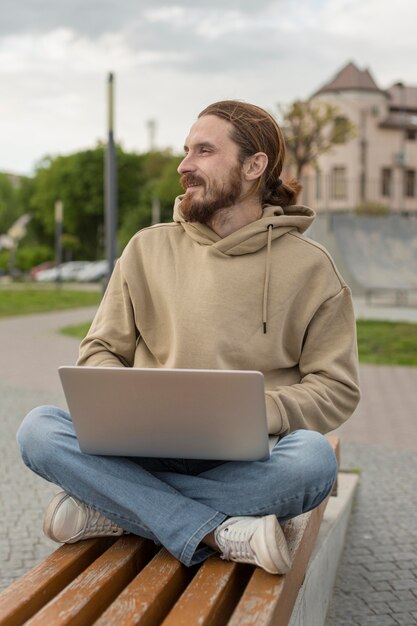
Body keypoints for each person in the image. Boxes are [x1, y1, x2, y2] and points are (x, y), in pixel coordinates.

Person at [17, 100, 360, 575]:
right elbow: (100, 350)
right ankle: (219, 530)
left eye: (203, 151)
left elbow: (336, 386)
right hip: (145, 447)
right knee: (39, 429)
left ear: (253, 166)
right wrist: (122, 397)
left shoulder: (312, 268)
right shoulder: (146, 248)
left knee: (313, 463)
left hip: (249, 457)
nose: (184, 165)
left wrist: (261, 411)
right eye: (185, 151)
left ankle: (118, 511)